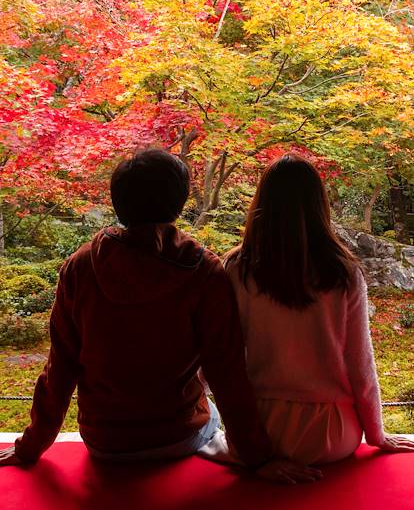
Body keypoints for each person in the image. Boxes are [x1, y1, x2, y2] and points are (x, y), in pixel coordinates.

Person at [0, 148, 321, 484]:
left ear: (118, 200)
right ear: (179, 201)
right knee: (211, 416)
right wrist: (259, 458)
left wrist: (30, 446)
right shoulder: (204, 271)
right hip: (180, 435)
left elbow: (60, 366)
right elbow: (226, 373)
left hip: (105, 441)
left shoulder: (81, 267)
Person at [206, 154, 414, 465]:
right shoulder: (343, 272)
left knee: (206, 432)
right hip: (332, 434)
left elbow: (222, 358)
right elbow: (360, 364)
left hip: (261, 431)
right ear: (320, 205)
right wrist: (376, 434)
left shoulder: (238, 268)